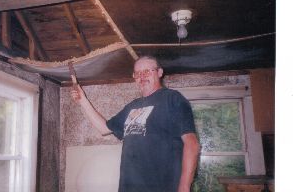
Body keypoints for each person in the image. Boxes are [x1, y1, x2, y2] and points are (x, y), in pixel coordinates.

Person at [71, 55, 200, 192]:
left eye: (147, 71)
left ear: (159, 72)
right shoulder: (132, 106)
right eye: (137, 73)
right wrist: (83, 100)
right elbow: (104, 128)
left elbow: (192, 143)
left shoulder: (173, 99)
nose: (142, 76)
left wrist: (184, 187)